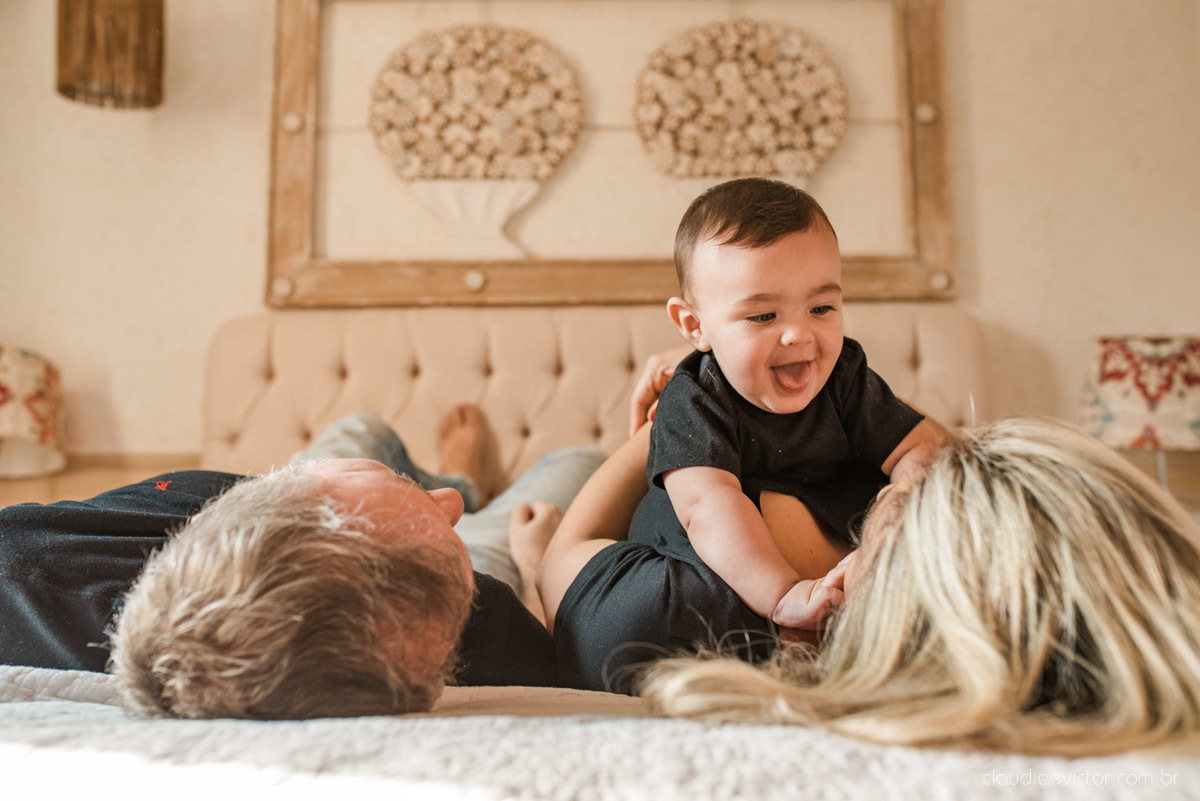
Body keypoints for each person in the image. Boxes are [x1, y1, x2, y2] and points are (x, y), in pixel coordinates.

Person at [538, 415, 1200, 755]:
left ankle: (478, 476)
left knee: (542, 475)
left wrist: (666, 429)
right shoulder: (897, 498)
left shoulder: (676, 624)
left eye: (931, 477)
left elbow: (560, 556)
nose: (923, 459)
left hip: (598, 481)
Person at [0, 407, 605, 719]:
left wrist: (406, 509)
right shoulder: (475, 613)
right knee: (577, 460)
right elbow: (565, 657)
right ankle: (463, 491)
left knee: (360, 427)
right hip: (480, 560)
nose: (444, 507)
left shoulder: (21, 552)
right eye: (431, 505)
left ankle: (444, 483)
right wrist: (539, 565)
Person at [634, 178, 941, 629]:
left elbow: (919, 446)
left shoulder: (843, 375)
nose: (800, 334)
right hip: (707, 563)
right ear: (694, 324)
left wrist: (898, 505)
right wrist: (783, 593)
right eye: (763, 315)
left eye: (821, 309)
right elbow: (707, 508)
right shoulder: (695, 399)